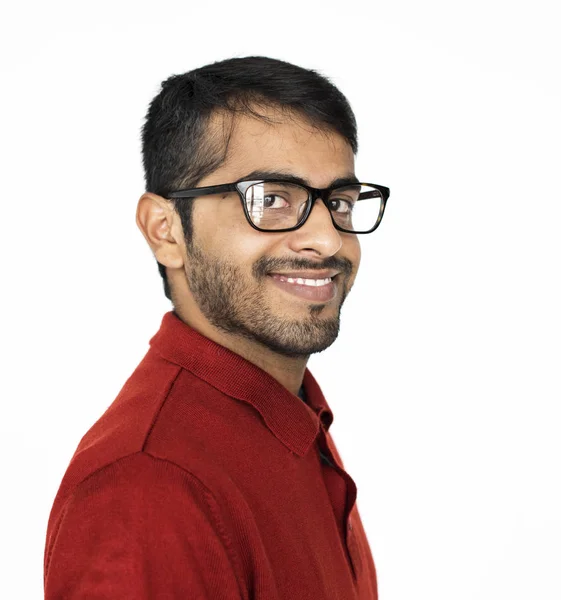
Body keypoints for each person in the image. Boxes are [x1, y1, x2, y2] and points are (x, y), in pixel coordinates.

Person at [43, 56, 389, 599]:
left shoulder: (293, 417)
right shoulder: (150, 487)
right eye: (271, 200)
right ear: (165, 230)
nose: (327, 240)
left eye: (339, 203)